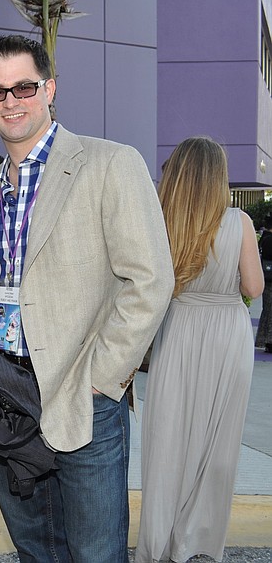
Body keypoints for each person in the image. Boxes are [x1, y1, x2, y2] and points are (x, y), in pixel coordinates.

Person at [0, 35, 174, 561]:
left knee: (95, 552)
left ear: (50, 89)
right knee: (35, 548)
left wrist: (102, 381)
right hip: (8, 398)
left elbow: (150, 280)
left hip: (84, 397)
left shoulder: (110, 164)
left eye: (24, 86)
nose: (11, 100)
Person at [136, 137, 263, 563]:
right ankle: (199, 540)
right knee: (216, 440)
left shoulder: (162, 220)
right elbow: (253, 288)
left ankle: (161, 541)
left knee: (170, 437)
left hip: (179, 329)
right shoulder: (239, 221)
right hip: (227, 334)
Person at [255, 214, 272, 352]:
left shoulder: (264, 240)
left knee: (267, 310)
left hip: (267, 278)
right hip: (269, 279)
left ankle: (265, 340)